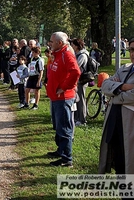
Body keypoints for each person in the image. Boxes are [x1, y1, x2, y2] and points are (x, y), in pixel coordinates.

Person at [99, 37, 134, 189]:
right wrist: (126, 86)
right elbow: (105, 85)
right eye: (132, 49)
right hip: (115, 127)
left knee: (132, 163)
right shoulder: (124, 68)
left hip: (132, 128)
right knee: (120, 162)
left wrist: (115, 94)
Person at [46, 31, 80, 167]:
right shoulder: (58, 53)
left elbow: (76, 72)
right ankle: (61, 150)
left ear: (59, 43)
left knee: (64, 128)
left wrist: (65, 87)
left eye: (51, 41)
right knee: (59, 126)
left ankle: (66, 158)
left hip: (63, 98)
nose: (49, 43)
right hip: (56, 97)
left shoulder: (66, 54)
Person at [70, 38, 88, 126]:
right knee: (77, 99)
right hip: (77, 80)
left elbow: (76, 66)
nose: (72, 47)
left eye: (73, 45)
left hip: (82, 80)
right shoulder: (77, 54)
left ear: (77, 46)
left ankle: (82, 119)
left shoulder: (82, 55)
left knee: (81, 99)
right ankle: (77, 117)